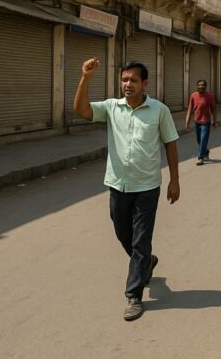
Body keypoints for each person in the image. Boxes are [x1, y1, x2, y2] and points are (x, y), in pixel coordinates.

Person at [74, 59, 180, 322]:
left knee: (140, 241)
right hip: (118, 185)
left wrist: (174, 180)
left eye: (133, 80)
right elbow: (82, 110)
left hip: (147, 187)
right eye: (124, 80)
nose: (127, 85)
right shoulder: (112, 107)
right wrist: (85, 77)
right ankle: (146, 262)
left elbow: (170, 144)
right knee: (124, 235)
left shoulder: (159, 110)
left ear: (145, 83)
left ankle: (133, 295)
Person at [186, 79, 217, 166]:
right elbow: (190, 109)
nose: (201, 86)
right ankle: (206, 151)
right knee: (199, 140)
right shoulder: (193, 95)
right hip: (197, 121)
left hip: (206, 122)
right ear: (197, 86)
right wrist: (187, 121)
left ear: (206, 86)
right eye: (199, 85)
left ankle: (200, 158)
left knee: (203, 139)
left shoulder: (210, 96)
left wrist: (215, 121)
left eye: (203, 85)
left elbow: (214, 109)